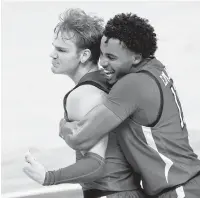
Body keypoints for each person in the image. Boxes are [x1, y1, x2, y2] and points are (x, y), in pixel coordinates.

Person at [59, 12, 200, 198]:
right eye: (101, 54)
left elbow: (79, 138)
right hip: (188, 182)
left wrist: (63, 125)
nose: (102, 63)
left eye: (111, 57)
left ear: (136, 58)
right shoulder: (155, 68)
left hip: (179, 190)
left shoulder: (131, 85)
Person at [23, 9, 146, 198]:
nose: (52, 55)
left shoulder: (82, 96)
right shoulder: (110, 83)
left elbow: (95, 164)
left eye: (61, 50)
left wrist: (47, 177)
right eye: (54, 47)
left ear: (84, 55)